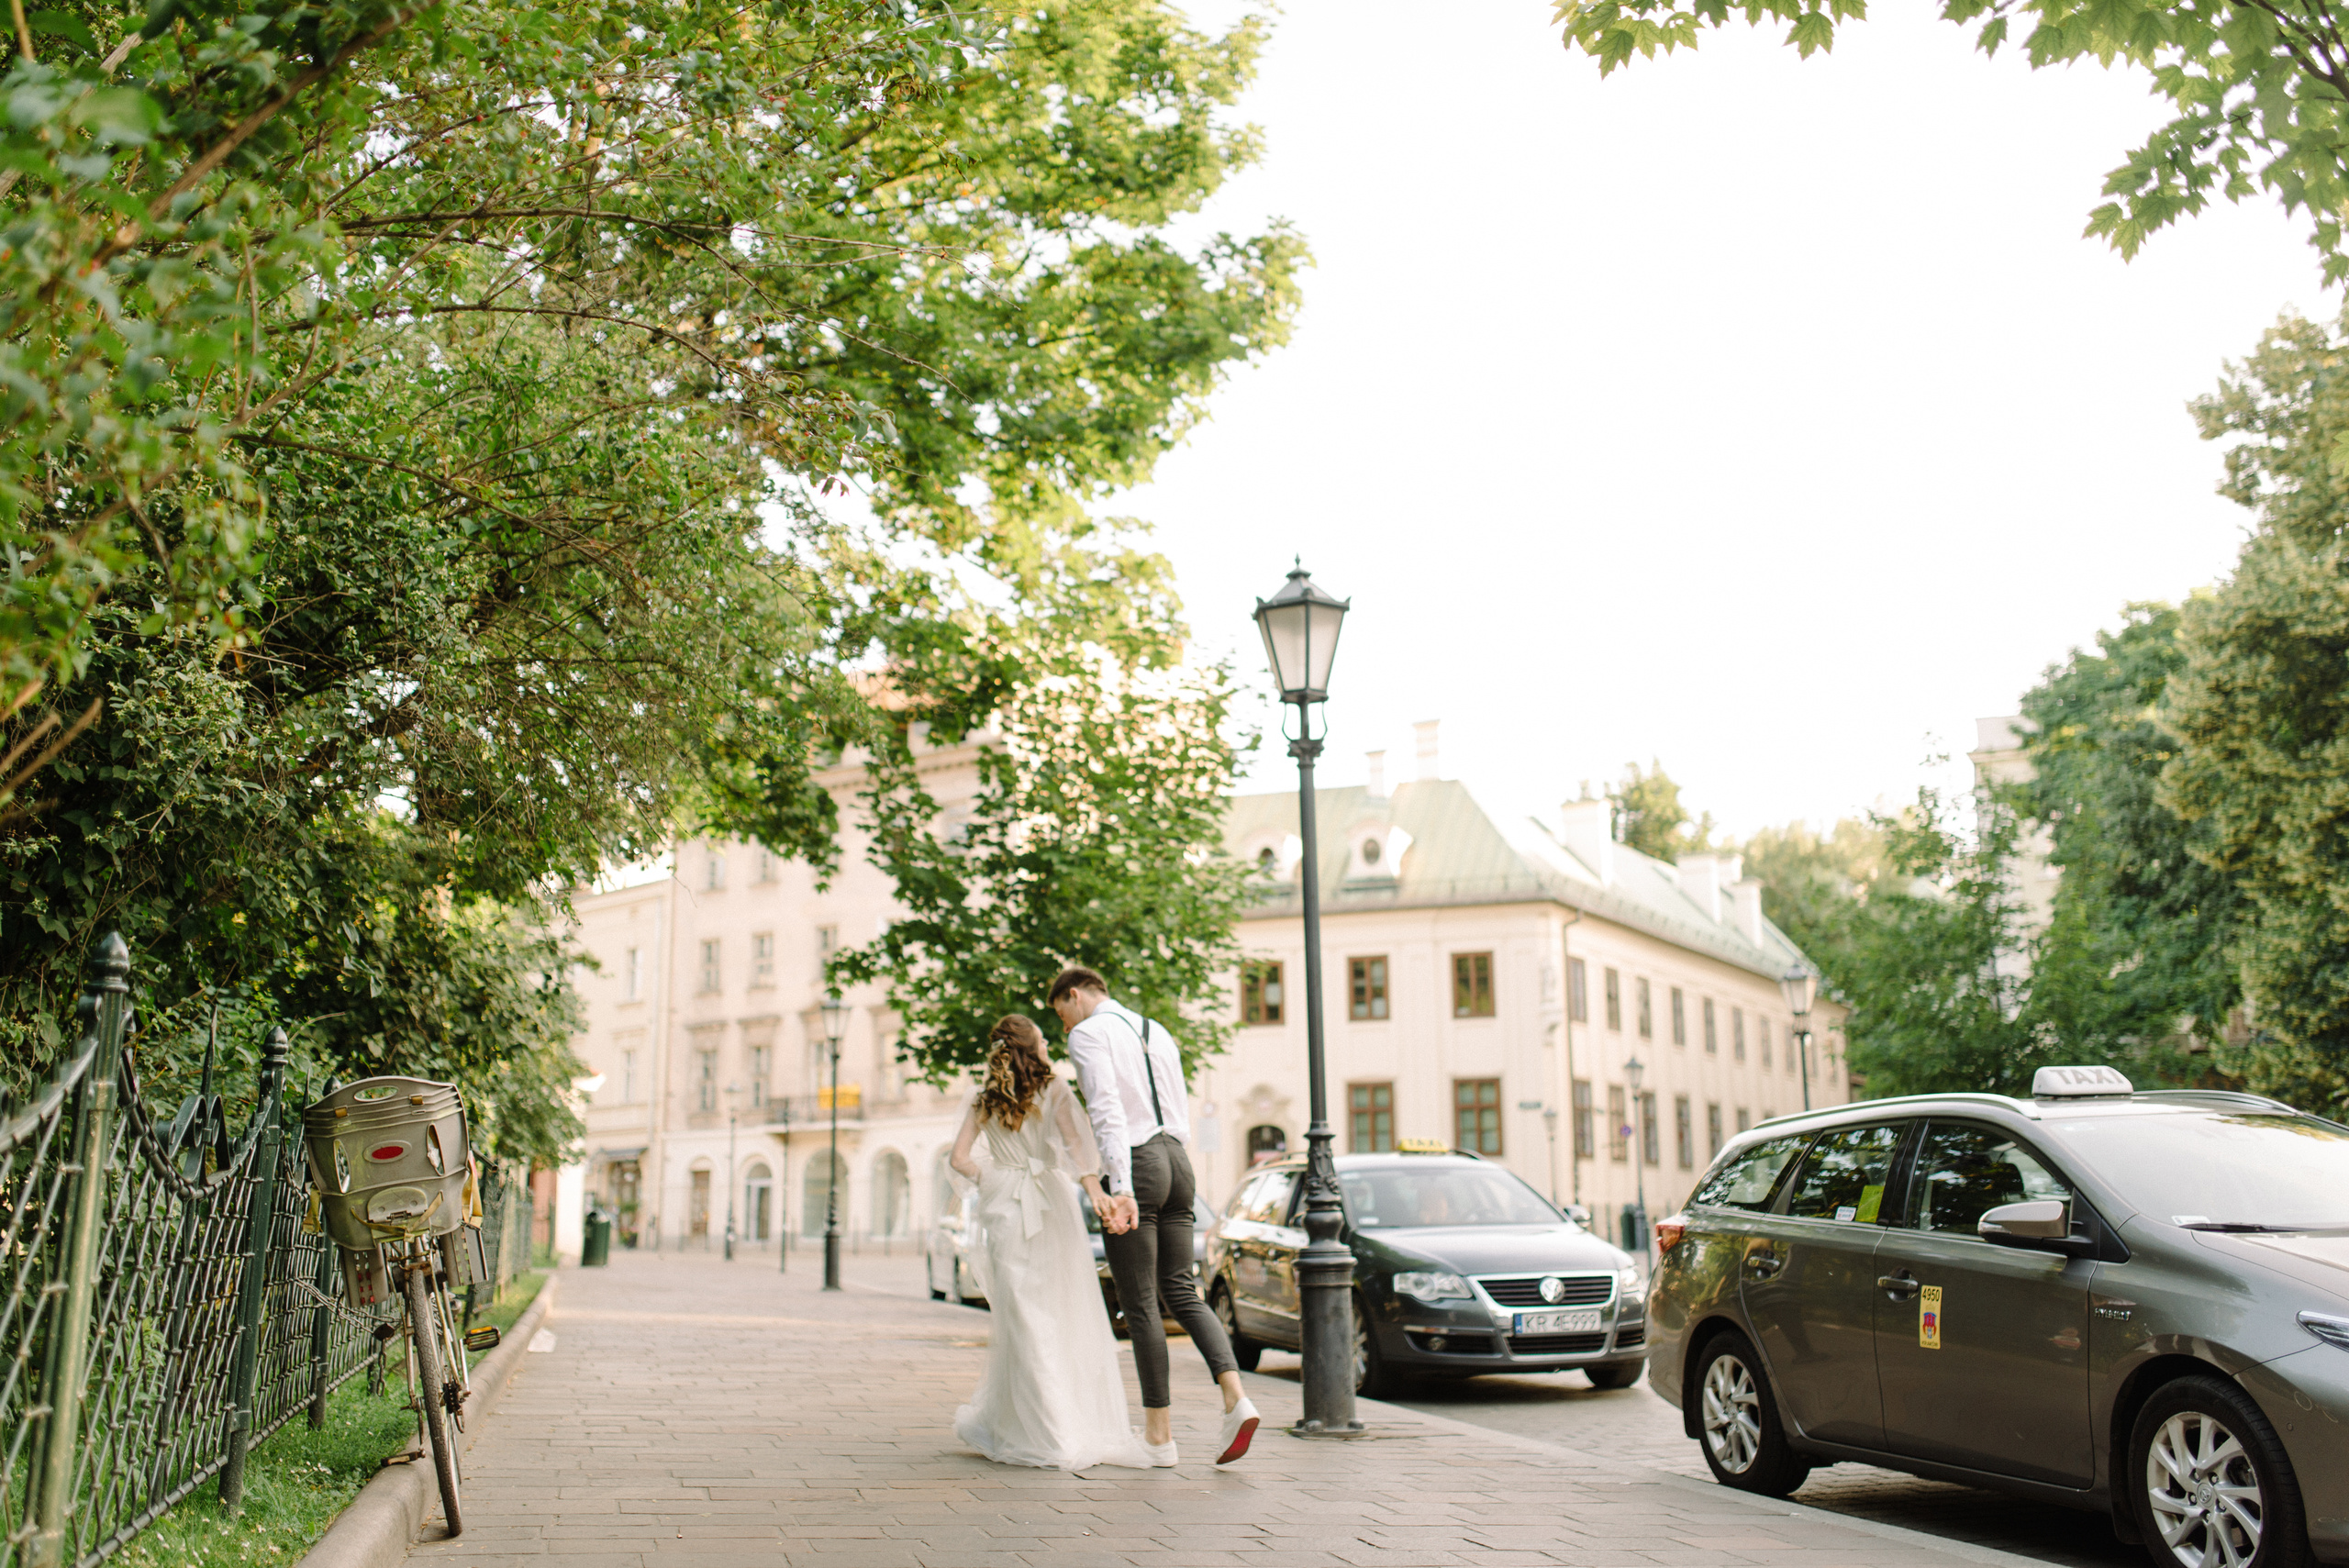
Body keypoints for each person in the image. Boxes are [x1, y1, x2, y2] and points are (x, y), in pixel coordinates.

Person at [1051, 966, 1261, 1466]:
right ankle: (1236, 1396)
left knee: (1141, 1301)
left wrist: (1119, 1186)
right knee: (1182, 1289)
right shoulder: (1156, 1030)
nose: (1063, 1027)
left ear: (1075, 996)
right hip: (1178, 1161)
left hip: (1137, 1165)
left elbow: (1106, 1110)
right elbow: (1178, 1106)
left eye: (1061, 1013)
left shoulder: (1088, 1034)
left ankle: (1158, 1439)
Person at [948, 1016, 1154, 1472]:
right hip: (1050, 1203)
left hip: (1005, 1204)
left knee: (1021, 1315)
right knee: (1061, 1309)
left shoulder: (985, 1099)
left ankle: (1041, 1429)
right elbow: (1078, 1147)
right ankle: (1063, 1428)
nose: (1046, 1046)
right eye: (1041, 1041)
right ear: (1031, 1047)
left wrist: (997, 1175)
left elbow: (959, 1160)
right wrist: (1096, 1191)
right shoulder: (1055, 1089)